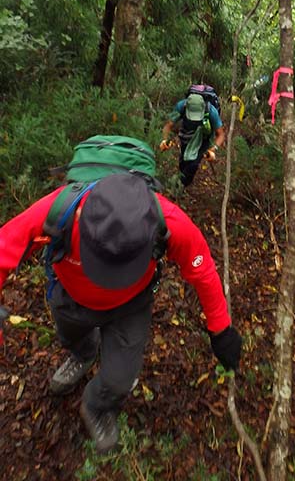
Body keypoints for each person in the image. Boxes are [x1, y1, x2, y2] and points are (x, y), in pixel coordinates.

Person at [0, 173, 242, 454]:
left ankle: (95, 405)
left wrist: (220, 329)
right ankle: (83, 355)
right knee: (72, 339)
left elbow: (202, 270)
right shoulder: (62, 209)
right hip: (70, 298)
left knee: (119, 381)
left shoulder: (168, 220)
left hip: (130, 307)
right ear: (81, 215)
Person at [160, 90, 225, 188]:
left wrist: (213, 149)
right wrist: (164, 140)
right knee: (184, 162)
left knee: (193, 164)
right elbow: (168, 125)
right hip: (186, 136)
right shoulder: (181, 106)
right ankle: (181, 181)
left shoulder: (211, 111)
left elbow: (221, 134)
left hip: (203, 138)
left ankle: (177, 188)